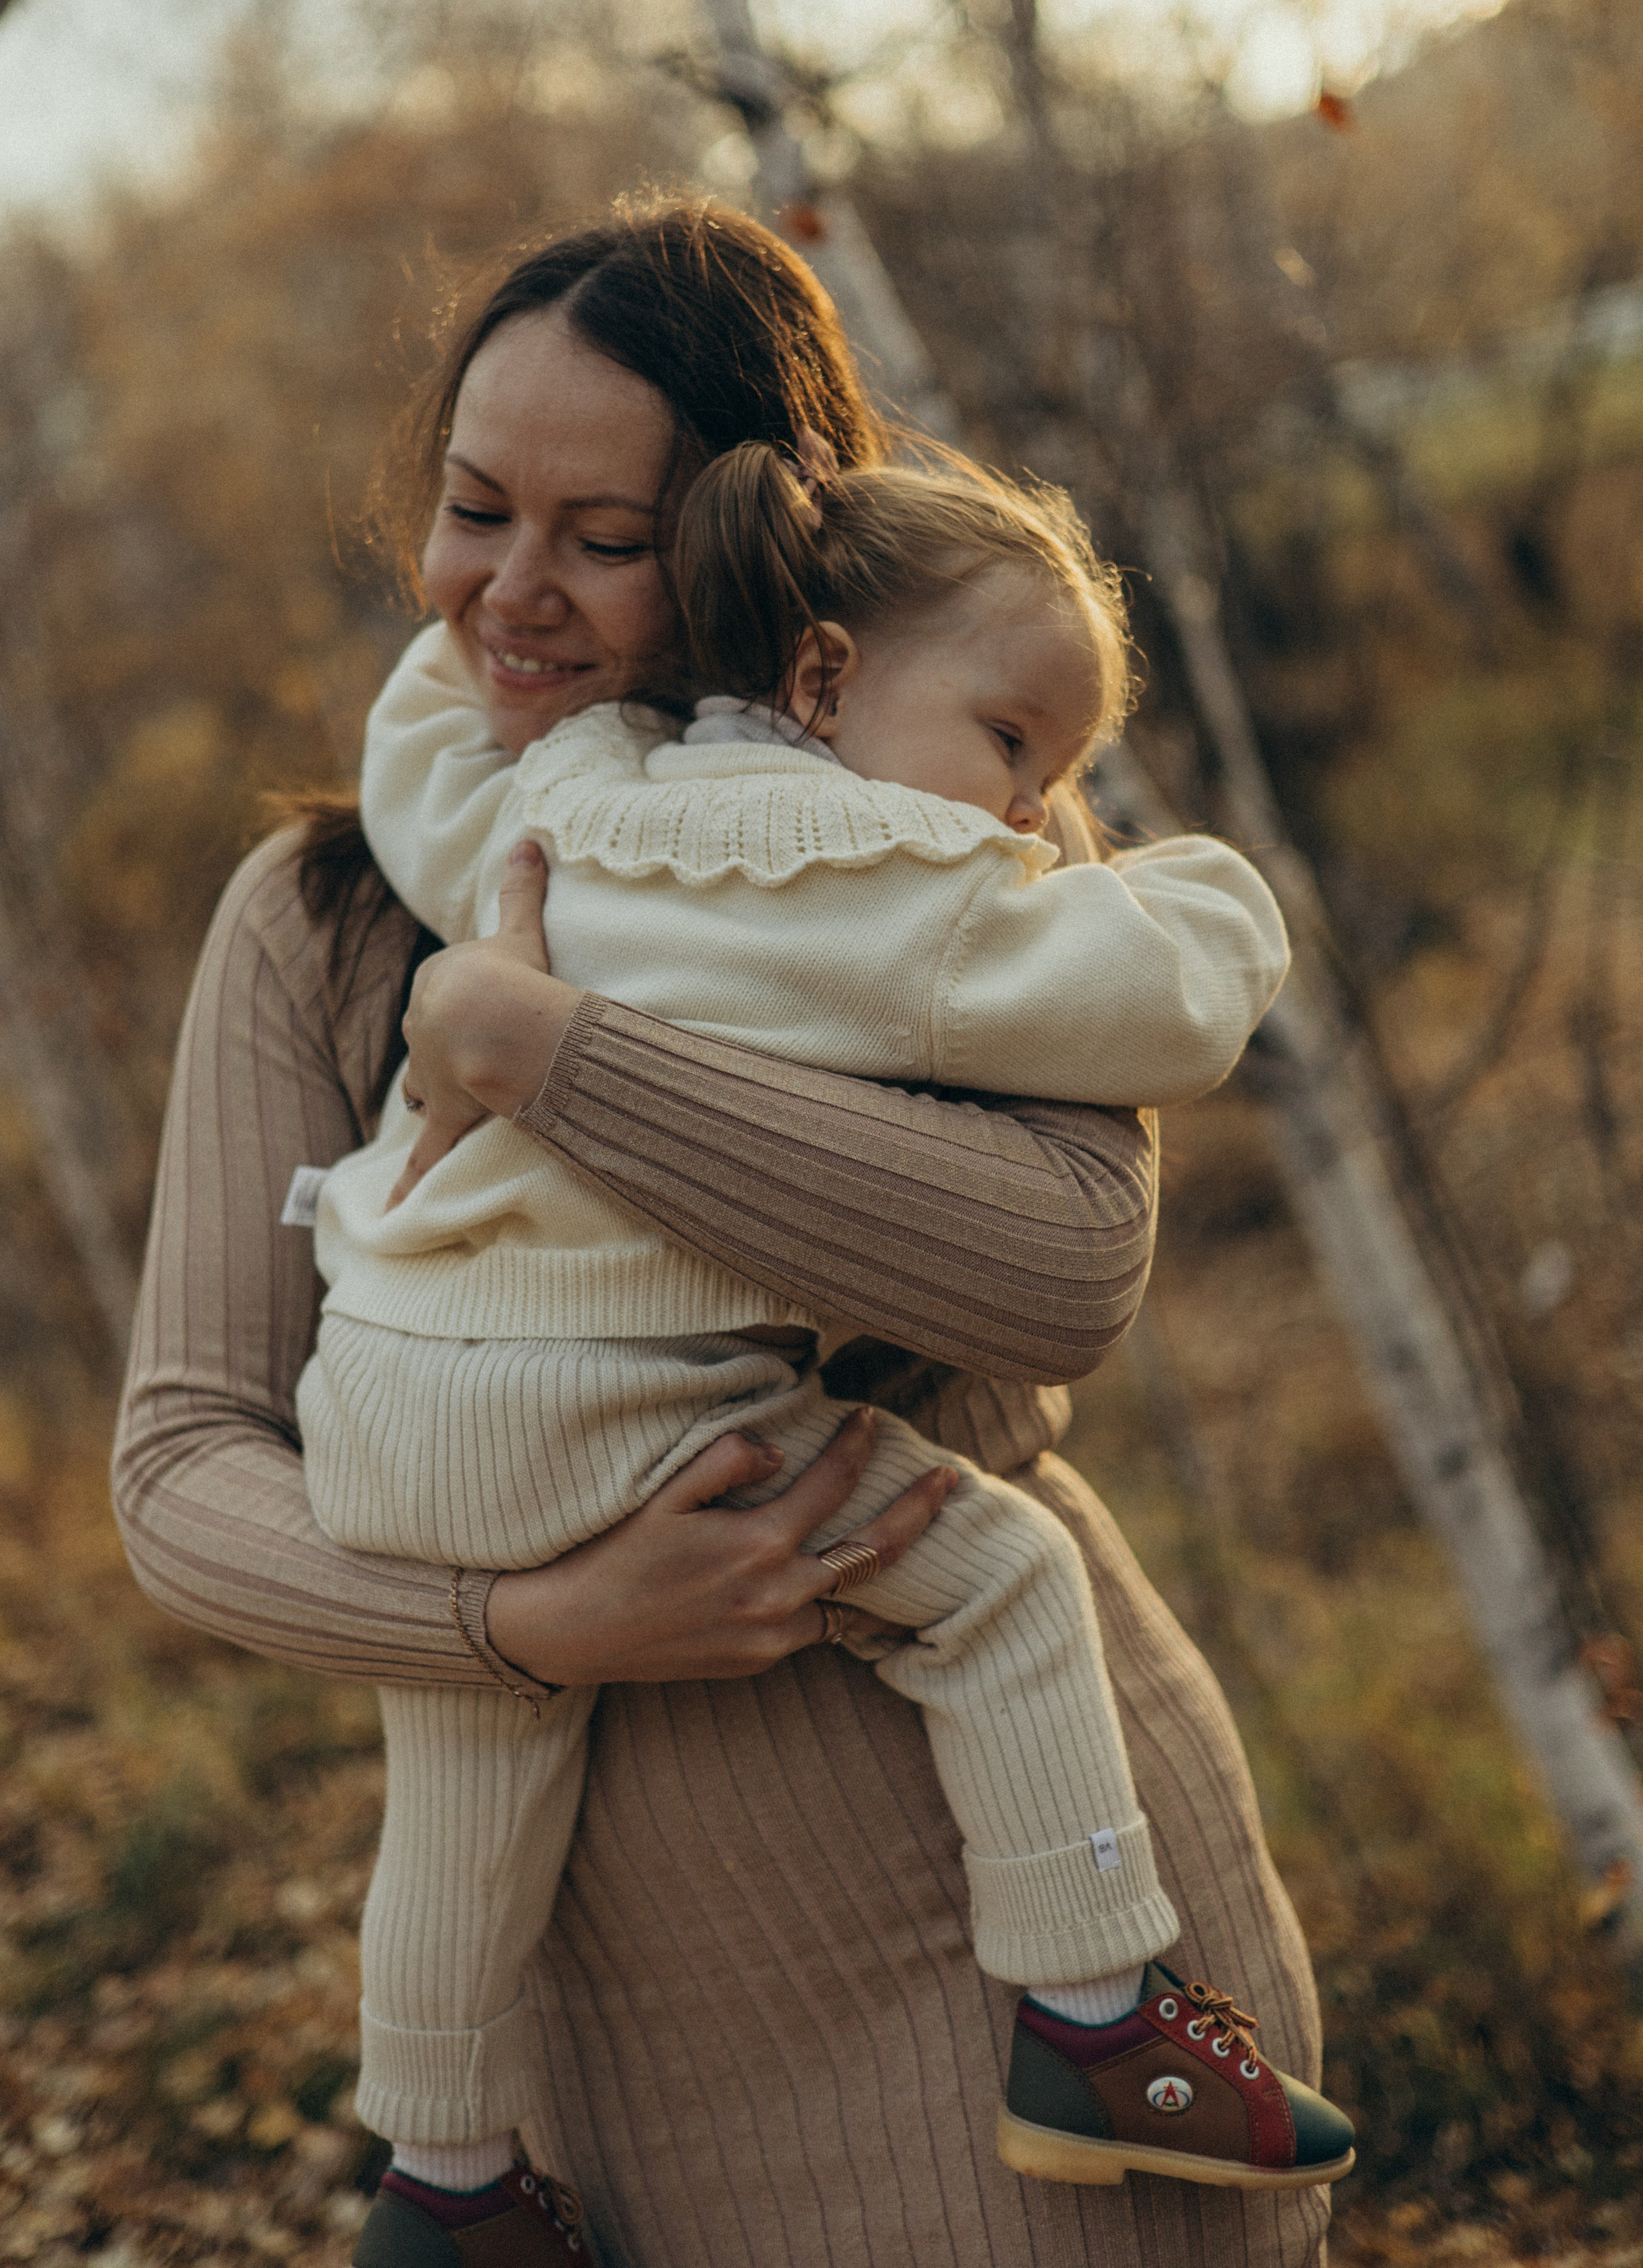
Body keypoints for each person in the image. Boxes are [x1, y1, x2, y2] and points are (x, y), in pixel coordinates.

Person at [114, 196, 1341, 2268]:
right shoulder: (323, 921)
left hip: (1033, 1884)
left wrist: (559, 1057)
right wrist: (519, 1628)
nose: (511, 592)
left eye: (606, 538)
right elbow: (177, 1474)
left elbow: (1065, 1271)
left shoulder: (933, 824)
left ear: (771, 563)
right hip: (642, 2014)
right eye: (474, 508)